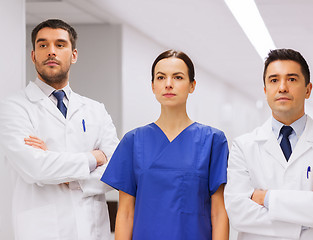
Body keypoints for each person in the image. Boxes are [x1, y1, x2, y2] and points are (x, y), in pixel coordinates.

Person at [0, 19, 119, 240]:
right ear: (33, 55)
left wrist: (68, 177)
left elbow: (116, 172)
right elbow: (36, 168)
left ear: (74, 55)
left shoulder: (95, 110)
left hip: (92, 231)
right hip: (41, 231)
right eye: (43, 45)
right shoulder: (14, 108)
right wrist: (94, 158)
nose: (51, 51)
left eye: (60, 44)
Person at [224, 48, 313, 240]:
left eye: (292, 79)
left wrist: (265, 198)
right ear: (266, 90)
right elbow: (239, 215)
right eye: (274, 80)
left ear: (308, 90)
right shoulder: (243, 146)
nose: (282, 87)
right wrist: (310, 206)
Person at [101, 50, 229, 240]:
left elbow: (218, 213)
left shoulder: (213, 140)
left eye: (178, 77)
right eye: (161, 77)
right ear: (153, 86)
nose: (168, 84)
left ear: (192, 85)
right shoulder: (133, 141)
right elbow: (126, 213)